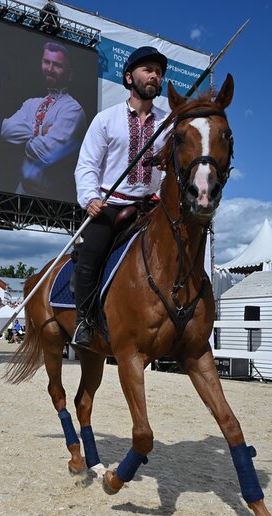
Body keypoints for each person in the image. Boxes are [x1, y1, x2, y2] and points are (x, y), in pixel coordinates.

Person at [71, 46, 170, 349]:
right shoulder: (105, 120)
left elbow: (175, 168)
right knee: (91, 254)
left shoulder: (170, 124)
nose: (154, 75)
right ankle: (85, 321)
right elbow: (87, 165)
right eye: (147, 70)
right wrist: (90, 198)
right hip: (110, 205)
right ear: (129, 77)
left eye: (158, 72)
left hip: (151, 206)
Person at [1, 41, 86, 199]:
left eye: (57, 65)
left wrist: (22, 141)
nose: (50, 69)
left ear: (69, 74)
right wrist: (40, 130)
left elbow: (48, 153)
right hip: (21, 190)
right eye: (46, 62)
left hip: (50, 199)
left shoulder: (72, 109)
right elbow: (6, 130)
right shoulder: (31, 103)